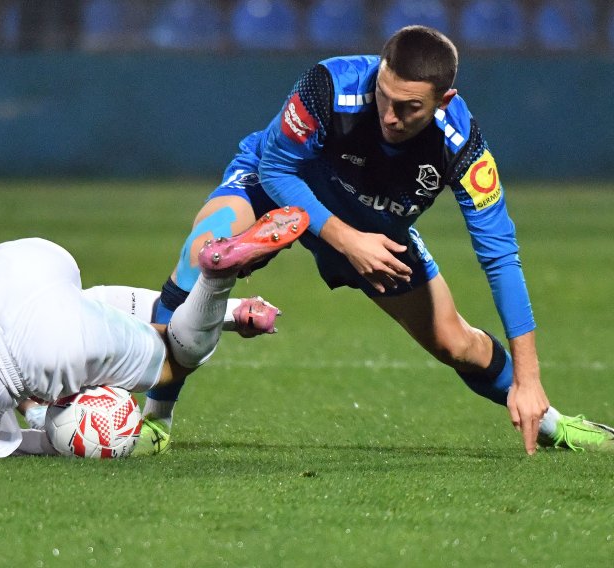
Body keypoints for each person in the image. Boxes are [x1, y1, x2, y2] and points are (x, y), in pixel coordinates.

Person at [143, 25, 614, 455]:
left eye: (410, 107)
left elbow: (500, 257)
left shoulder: (463, 147)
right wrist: (344, 239)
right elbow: (276, 166)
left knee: (456, 343)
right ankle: (155, 419)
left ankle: (551, 424)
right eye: (385, 97)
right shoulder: (328, 85)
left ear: (444, 99)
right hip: (281, 187)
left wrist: (529, 378)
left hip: (374, 226)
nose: (390, 115)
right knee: (205, 249)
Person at [0, 206, 309, 458]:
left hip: (39, 353)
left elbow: (18, 440)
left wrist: (61, 435)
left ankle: (218, 280)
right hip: (6, 273)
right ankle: (231, 306)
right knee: (81, 307)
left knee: (171, 360)